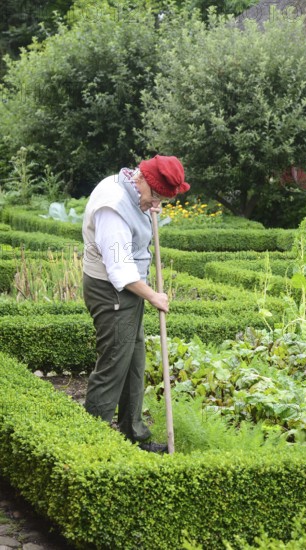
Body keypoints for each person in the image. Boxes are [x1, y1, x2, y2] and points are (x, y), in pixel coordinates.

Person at [82, 155, 190, 453]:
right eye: (156, 196)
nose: (156, 203)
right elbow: (119, 269)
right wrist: (154, 295)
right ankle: (93, 444)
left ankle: (132, 435)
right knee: (114, 366)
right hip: (111, 291)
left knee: (133, 362)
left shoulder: (134, 190)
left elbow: (139, 214)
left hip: (128, 292)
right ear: (141, 179)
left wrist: (149, 206)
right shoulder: (113, 207)